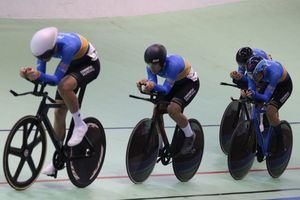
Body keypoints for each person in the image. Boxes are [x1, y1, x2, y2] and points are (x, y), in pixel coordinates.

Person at [20, 27, 100, 175]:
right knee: (58, 112)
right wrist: (29, 75)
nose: (41, 59)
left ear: (51, 49)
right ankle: (59, 157)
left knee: (64, 86)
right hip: (71, 64)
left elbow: (56, 80)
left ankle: (79, 124)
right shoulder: (45, 47)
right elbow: (42, 75)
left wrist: (38, 75)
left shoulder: (68, 47)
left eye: (44, 56)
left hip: (89, 64)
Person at [137, 44, 199, 155]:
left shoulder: (172, 66)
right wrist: (147, 85)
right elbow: (153, 82)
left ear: (162, 62)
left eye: (154, 65)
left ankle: (190, 135)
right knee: (157, 109)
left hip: (189, 83)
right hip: (175, 82)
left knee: (173, 109)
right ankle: (159, 145)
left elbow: (165, 89)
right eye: (149, 64)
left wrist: (152, 86)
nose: (151, 68)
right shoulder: (151, 66)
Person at [244, 56, 293, 161]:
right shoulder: (252, 73)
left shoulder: (274, 73)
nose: (255, 78)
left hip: (283, 87)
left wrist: (254, 94)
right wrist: (251, 92)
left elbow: (266, 97)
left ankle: (281, 143)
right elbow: (251, 87)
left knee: (270, 111)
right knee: (255, 107)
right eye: (253, 76)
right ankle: (260, 146)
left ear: (263, 70)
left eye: (257, 76)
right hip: (268, 83)